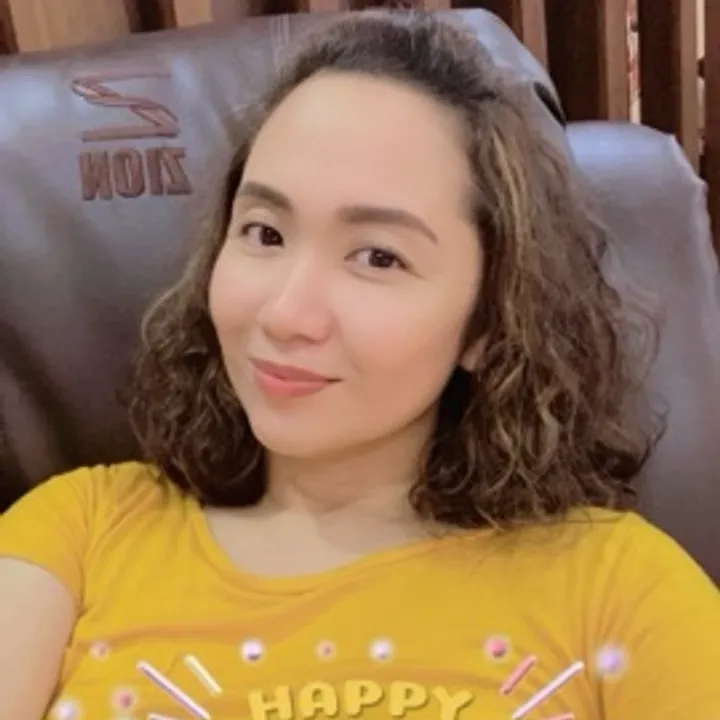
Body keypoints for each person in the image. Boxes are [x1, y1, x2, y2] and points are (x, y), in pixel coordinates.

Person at [0, 11, 718, 720]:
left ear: (488, 321)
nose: (285, 313)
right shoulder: (82, 533)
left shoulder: (619, 588)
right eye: (265, 233)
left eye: (378, 256)